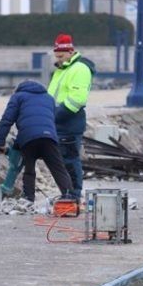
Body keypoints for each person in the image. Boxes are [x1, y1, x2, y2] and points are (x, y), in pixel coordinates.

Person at [0, 80, 73, 203]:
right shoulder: (49, 98)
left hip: (28, 137)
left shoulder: (18, 97)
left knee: (29, 169)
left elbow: (7, 120)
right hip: (49, 137)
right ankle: (69, 197)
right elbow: (50, 119)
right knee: (58, 168)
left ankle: (29, 199)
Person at [47, 33, 95, 199]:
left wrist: (54, 116)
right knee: (62, 161)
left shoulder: (80, 69)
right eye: (56, 55)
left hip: (68, 122)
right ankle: (67, 193)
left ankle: (73, 194)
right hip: (58, 122)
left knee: (70, 160)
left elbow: (77, 100)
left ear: (70, 52)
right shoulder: (62, 69)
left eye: (61, 55)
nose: (58, 59)